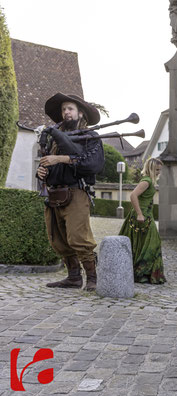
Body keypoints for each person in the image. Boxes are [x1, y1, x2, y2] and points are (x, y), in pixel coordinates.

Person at [37, 93, 105, 291]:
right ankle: (73, 278)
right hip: (54, 194)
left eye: (70, 109)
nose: (66, 112)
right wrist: (42, 171)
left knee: (78, 238)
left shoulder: (90, 137)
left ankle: (92, 278)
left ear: (80, 113)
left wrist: (61, 159)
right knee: (58, 239)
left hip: (76, 192)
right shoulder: (54, 139)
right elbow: (48, 164)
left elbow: (92, 164)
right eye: (64, 109)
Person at [118, 158, 166, 284]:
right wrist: (139, 214)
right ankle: (142, 273)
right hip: (142, 216)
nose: (158, 172)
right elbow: (133, 195)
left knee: (143, 244)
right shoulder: (146, 181)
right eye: (156, 170)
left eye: (160, 170)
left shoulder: (149, 181)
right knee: (151, 244)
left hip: (146, 215)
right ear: (150, 168)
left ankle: (142, 274)